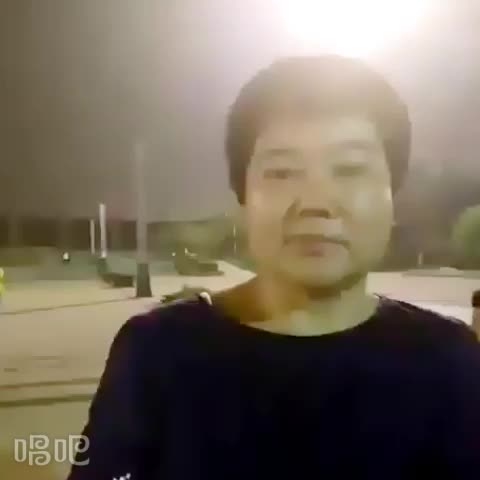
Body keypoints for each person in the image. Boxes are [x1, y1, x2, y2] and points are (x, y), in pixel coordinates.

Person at [68, 55, 480, 480]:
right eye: (282, 172)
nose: (316, 202)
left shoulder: (449, 360)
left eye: (350, 169)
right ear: (242, 197)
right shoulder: (157, 354)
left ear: (393, 195)